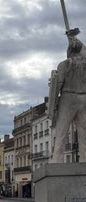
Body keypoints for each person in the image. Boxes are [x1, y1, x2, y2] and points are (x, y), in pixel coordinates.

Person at [51, 30, 86, 163]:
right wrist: (77, 41)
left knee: (61, 130)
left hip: (68, 97)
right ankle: (84, 159)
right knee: (84, 132)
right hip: (83, 98)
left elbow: (57, 86)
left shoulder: (64, 65)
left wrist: (53, 107)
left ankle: (56, 160)